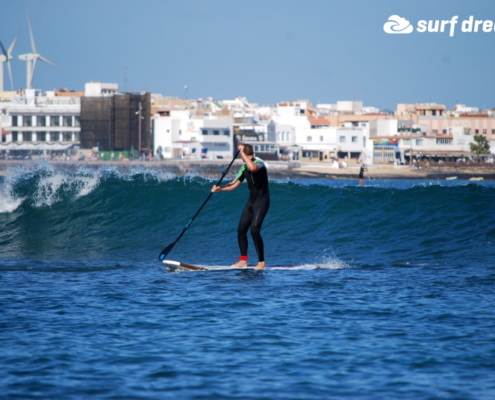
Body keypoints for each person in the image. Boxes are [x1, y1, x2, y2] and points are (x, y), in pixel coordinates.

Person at [211, 143, 270, 270]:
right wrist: (219, 189)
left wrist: (242, 153)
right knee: (241, 230)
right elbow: (234, 184)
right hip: (251, 202)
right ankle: (243, 261)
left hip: (262, 202)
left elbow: (253, 168)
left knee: (254, 230)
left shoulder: (259, 163)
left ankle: (261, 263)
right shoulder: (244, 168)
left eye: (242, 155)